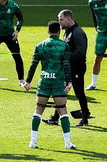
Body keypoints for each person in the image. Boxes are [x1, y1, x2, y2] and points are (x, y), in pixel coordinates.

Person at [23, 22, 75, 150]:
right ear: (59, 31)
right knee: (62, 109)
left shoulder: (40, 46)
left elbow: (33, 64)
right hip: (58, 80)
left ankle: (33, 141)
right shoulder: (64, 46)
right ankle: (67, 143)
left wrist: (28, 81)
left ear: (48, 31)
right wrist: (69, 81)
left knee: (39, 109)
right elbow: (66, 64)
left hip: (44, 81)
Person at [47, 10, 90, 127]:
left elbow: (81, 52)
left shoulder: (78, 33)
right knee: (62, 91)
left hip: (77, 68)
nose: (59, 22)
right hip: (70, 67)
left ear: (68, 19)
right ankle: (55, 118)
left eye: (61, 19)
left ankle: (85, 118)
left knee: (79, 92)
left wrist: (66, 58)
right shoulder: (68, 32)